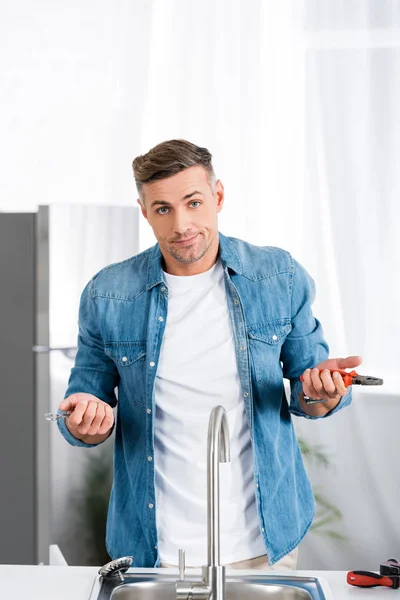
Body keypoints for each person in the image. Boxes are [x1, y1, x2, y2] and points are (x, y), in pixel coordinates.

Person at [57, 139, 362, 570]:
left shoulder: (279, 277)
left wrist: (324, 390)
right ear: (145, 211)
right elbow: (82, 411)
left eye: (194, 202)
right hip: (153, 548)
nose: (182, 224)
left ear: (217, 197)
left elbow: (310, 394)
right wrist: (85, 419)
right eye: (163, 208)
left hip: (263, 540)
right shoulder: (108, 293)